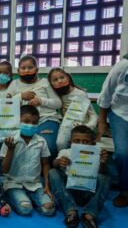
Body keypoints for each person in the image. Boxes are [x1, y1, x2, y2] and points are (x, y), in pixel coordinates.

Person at [50, 125, 110, 228]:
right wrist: (59, 162)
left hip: (89, 193)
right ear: (70, 142)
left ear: (93, 143)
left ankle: (90, 215)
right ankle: (71, 212)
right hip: (68, 193)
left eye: (86, 142)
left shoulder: (97, 153)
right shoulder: (65, 152)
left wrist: (103, 163)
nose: (81, 144)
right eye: (76, 141)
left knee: (105, 177)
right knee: (53, 172)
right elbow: (54, 164)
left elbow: (102, 172)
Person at [0, 105, 55, 216]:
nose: (30, 125)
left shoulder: (41, 141)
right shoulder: (10, 140)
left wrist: (47, 185)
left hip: (34, 184)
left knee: (49, 209)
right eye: (26, 121)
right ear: (18, 121)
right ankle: (16, 198)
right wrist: (10, 149)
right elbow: (4, 170)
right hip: (14, 183)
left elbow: (45, 164)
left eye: (34, 122)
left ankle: (30, 199)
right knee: (25, 209)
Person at [8, 55, 62, 161]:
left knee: (49, 146)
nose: (27, 70)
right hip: (23, 122)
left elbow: (58, 103)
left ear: (37, 70)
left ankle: (46, 172)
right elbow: (5, 104)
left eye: (30, 67)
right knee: (18, 147)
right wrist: (20, 96)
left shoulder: (44, 82)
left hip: (46, 119)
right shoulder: (14, 84)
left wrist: (41, 101)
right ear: (18, 71)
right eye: (23, 68)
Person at [97, 56, 128, 207]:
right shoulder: (123, 66)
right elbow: (106, 95)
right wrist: (102, 122)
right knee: (123, 153)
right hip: (120, 113)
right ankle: (125, 191)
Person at [48, 68, 97, 151]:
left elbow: (93, 114)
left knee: (83, 147)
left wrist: (89, 126)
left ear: (67, 77)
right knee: (60, 143)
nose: (60, 81)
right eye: (55, 80)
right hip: (66, 126)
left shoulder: (80, 93)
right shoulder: (56, 96)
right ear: (51, 84)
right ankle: (64, 161)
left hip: (83, 126)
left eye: (62, 77)